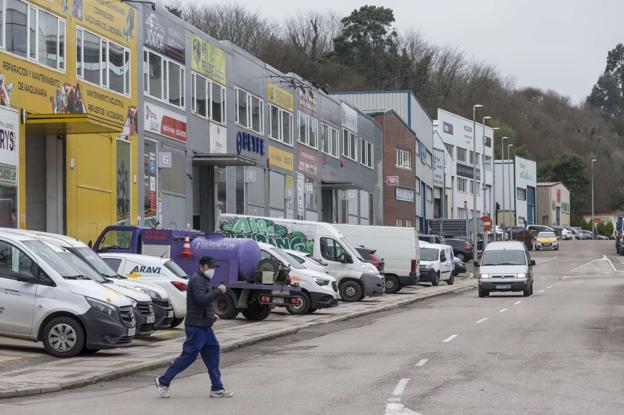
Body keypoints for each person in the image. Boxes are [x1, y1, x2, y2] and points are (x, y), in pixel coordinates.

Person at [155, 256, 233, 398]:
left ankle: (217, 388)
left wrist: (212, 315)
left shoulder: (204, 280)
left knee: (213, 352)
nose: (212, 270)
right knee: (189, 356)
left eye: (213, 267)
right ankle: (163, 380)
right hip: (196, 326)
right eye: (209, 267)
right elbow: (201, 300)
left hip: (205, 325)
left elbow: (205, 303)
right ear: (201, 267)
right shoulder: (197, 279)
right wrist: (219, 291)